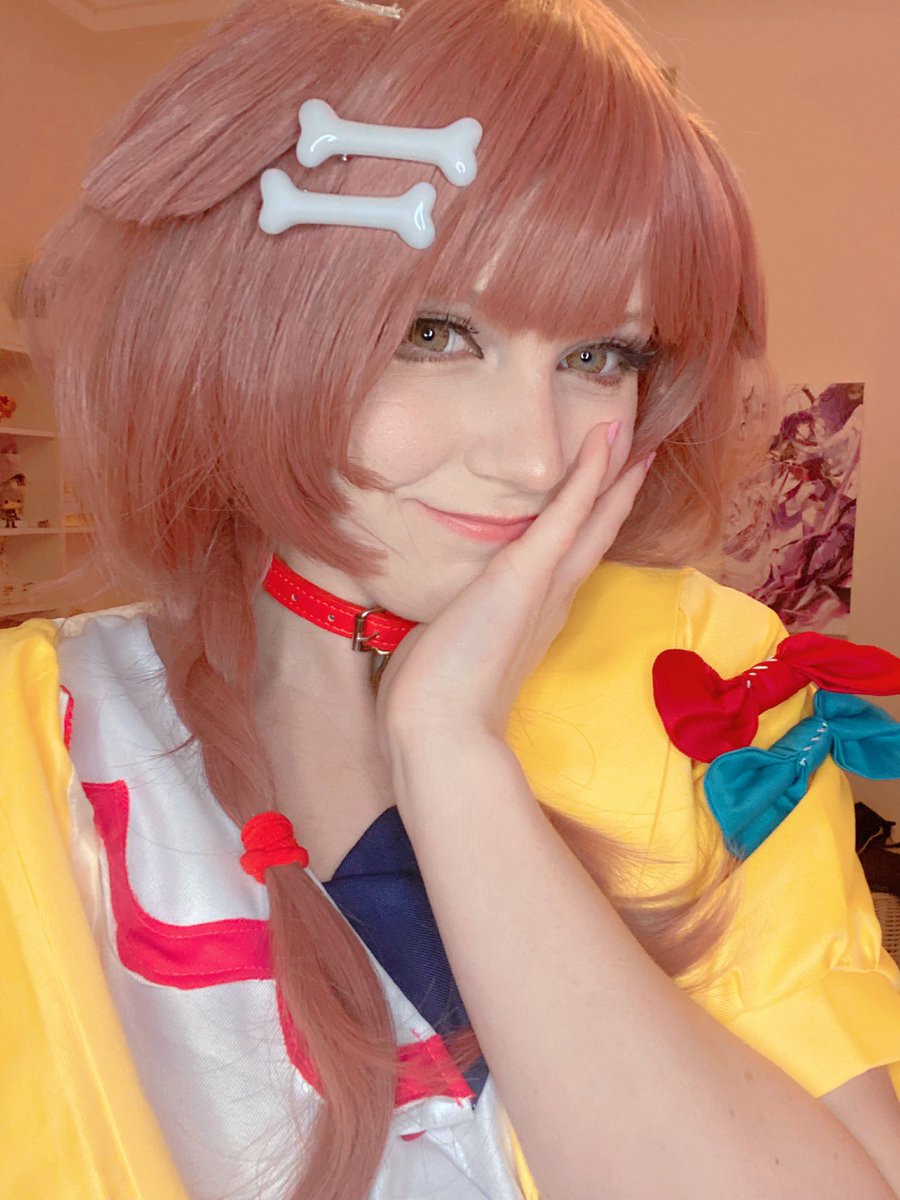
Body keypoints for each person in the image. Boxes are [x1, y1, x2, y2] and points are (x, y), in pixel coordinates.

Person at [3, 0, 900, 1197]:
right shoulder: (41, 743)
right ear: (227, 330)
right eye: (434, 332)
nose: (535, 457)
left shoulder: (710, 686)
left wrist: (451, 751)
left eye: (601, 356)